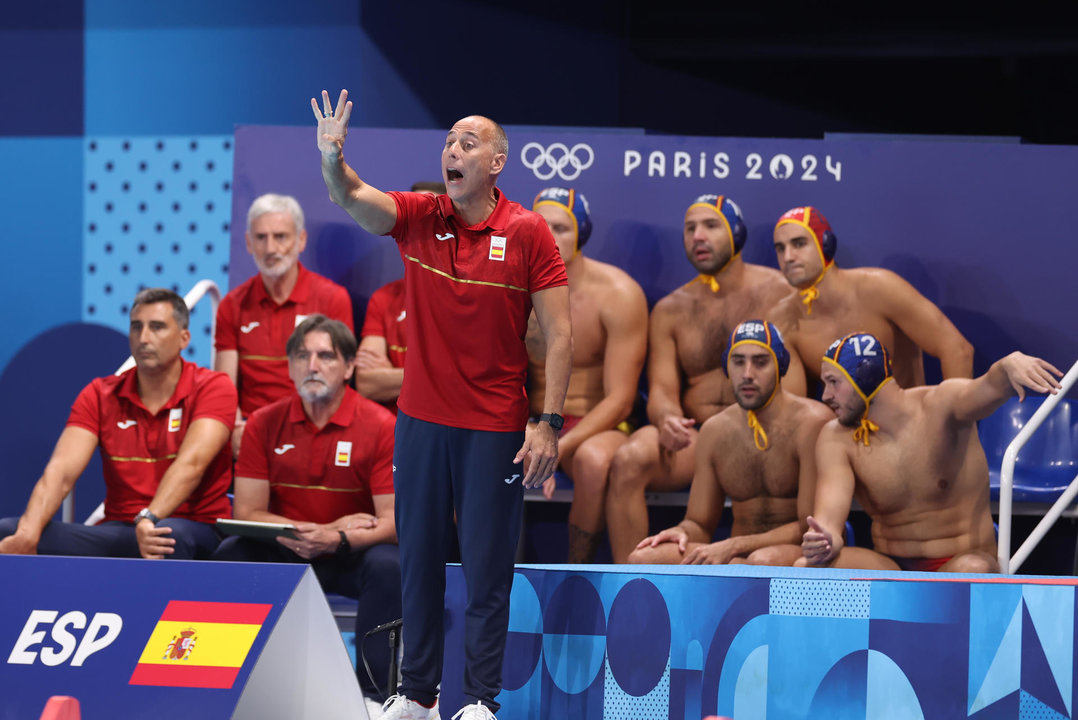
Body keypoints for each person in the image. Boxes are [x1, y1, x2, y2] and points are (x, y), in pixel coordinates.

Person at [313, 89, 571, 720]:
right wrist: (331, 156)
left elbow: (561, 335)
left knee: (487, 571)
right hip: (421, 423)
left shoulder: (529, 231)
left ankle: (481, 700)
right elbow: (352, 196)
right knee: (418, 563)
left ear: (497, 161)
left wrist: (548, 423)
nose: (452, 149)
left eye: (468, 141)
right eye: (449, 140)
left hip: (493, 427)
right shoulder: (419, 216)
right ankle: (418, 695)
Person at [585, 194, 791, 563]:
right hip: (698, 438)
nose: (698, 236)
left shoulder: (779, 295)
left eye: (710, 225)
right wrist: (666, 418)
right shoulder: (671, 310)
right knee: (629, 458)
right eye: (690, 228)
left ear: (736, 232)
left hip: (765, 434)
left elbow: (792, 380)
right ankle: (628, 583)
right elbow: (663, 389)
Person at [212, 315, 399, 711]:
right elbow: (247, 511)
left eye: (325, 356)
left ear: (349, 367)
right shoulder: (264, 422)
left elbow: (394, 522)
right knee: (231, 552)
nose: (312, 365)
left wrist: (339, 538)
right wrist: (323, 529)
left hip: (352, 554)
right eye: (302, 355)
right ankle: (227, 679)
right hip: (290, 550)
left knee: (390, 565)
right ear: (290, 366)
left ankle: (372, 696)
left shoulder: (381, 425)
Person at [0, 289, 234, 559]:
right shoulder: (100, 394)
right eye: (137, 327)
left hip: (193, 526)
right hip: (123, 528)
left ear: (184, 338)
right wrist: (28, 535)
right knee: (10, 531)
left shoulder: (213, 387)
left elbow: (192, 464)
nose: (144, 338)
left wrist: (149, 517)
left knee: (165, 535)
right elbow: (61, 471)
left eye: (157, 327)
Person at [800, 332, 1063, 572]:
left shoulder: (941, 406)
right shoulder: (836, 437)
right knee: (805, 568)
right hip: (893, 568)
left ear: (865, 377)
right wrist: (824, 542)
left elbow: (988, 388)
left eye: (833, 382)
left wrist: (1008, 366)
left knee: (971, 569)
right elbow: (829, 523)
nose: (825, 396)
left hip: (958, 561)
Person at [629, 321, 831, 565]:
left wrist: (734, 545)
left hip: (796, 553)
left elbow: (808, 527)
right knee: (642, 558)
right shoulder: (715, 431)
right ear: (727, 367)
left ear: (781, 366)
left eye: (760, 362)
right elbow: (700, 523)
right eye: (738, 362)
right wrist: (682, 531)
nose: (747, 374)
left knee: (760, 561)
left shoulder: (812, 424)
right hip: (737, 557)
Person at [526, 187, 648, 563]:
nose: (549, 236)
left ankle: (576, 572)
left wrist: (558, 443)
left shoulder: (618, 294)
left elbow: (620, 399)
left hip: (597, 425)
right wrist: (531, 430)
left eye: (561, 228)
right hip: (533, 420)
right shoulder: (514, 288)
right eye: (541, 227)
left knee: (594, 462)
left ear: (582, 233)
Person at [769, 206, 973, 393]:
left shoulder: (880, 288)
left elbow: (957, 350)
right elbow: (795, 405)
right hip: (843, 431)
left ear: (826, 244)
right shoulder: (783, 320)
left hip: (909, 427)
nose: (788, 256)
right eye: (780, 248)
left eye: (799, 244)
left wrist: (954, 425)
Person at [215, 193, 354, 456]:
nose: (270, 249)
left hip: (311, 430)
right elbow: (225, 387)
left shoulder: (332, 299)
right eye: (261, 238)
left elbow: (337, 382)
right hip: (250, 432)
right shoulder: (232, 305)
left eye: (280, 237)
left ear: (300, 240)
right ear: (248, 243)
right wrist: (235, 429)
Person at [356, 181, 445, 413]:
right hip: (394, 434)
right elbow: (366, 383)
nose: (419, 227)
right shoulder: (385, 298)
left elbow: (463, 381)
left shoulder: (473, 293)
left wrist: (393, 376)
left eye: (429, 216)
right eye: (412, 216)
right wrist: (434, 377)